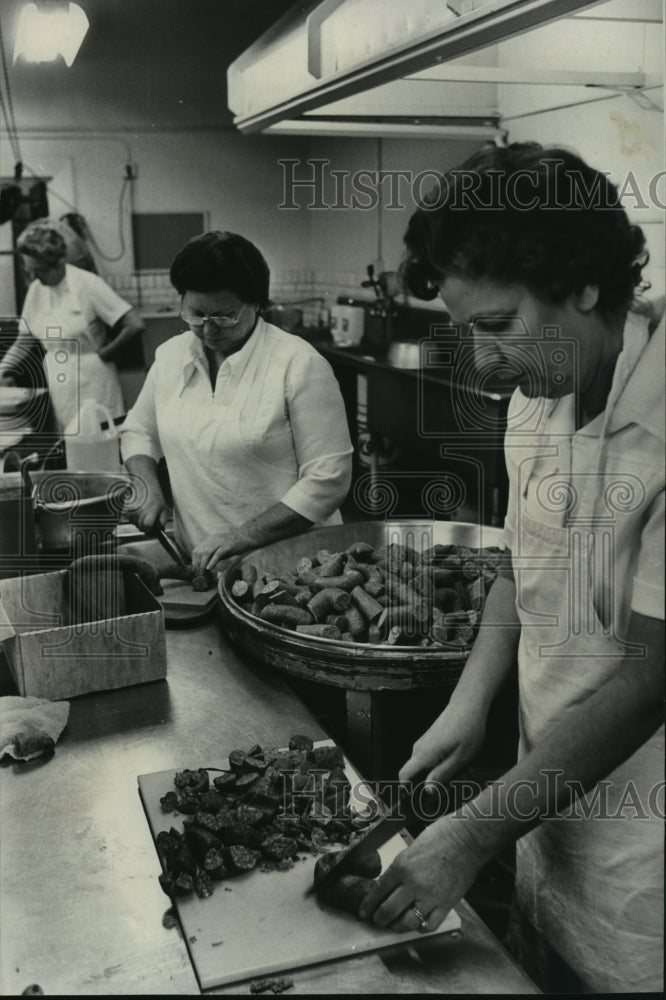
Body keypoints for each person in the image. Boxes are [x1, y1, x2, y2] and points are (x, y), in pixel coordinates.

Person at [358, 143, 664, 994]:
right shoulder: (539, 389)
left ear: (585, 287)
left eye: (495, 327)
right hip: (538, 806)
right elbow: (517, 563)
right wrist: (469, 701)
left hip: (646, 843)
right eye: (465, 331)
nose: (481, 363)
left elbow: (652, 674)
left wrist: (465, 837)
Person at [120, 230, 353, 573]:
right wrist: (147, 486)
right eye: (196, 314)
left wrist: (242, 536)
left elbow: (328, 479)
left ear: (258, 303)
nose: (209, 329)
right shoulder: (169, 358)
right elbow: (139, 430)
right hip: (201, 565)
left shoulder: (298, 365)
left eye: (225, 316)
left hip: (296, 571)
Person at [0, 218, 144, 430]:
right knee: (70, 447)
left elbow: (134, 323)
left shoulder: (88, 284)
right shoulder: (36, 290)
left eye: (39, 271)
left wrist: (105, 352)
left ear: (58, 263)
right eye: (29, 270)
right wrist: (2, 368)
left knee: (98, 444)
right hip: (59, 382)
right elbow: (24, 341)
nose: (34, 278)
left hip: (94, 381)